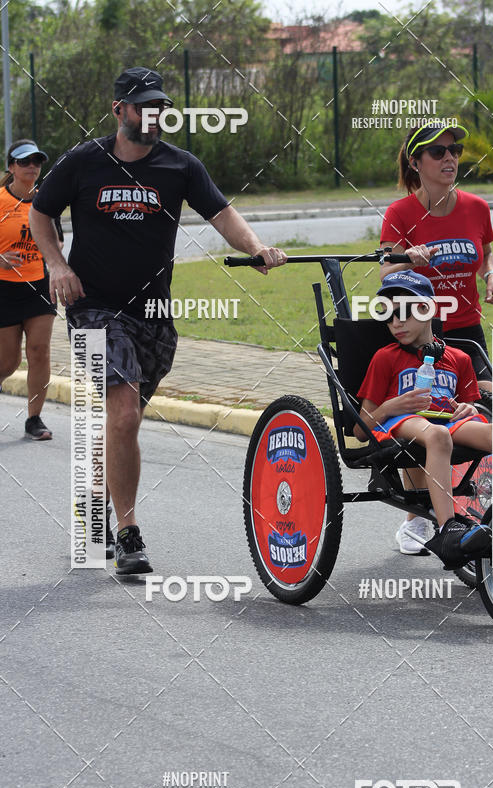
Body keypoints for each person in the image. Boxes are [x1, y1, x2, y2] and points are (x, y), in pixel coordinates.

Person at [29, 66, 287, 575]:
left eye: (160, 107)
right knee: (123, 415)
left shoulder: (180, 166)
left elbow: (222, 214)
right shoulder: (84, 161)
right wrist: (56, 265)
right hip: (93, 307)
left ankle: (92, 507)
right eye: (142, 106)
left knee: (124, 424)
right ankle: (127, 534)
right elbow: (41, 212)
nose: (153, 115)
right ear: (118, 111)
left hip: (153, 315)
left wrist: (256, 247)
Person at [354, 271, 493, 568]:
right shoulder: (386, 357)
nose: (396, 322)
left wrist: (472, 410)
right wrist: (393, 404)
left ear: (428, 310)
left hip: (445, 421)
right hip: (399, 423)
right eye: (390, 315)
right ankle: (448, 528)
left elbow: (470, 407)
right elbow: (360, 428)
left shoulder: (458, 359)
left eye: (405, 312)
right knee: (437, 435)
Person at [379, 120, 493, 553]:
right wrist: (406, 260)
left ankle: (488, 505)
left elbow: (485, 249)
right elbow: (385, 274)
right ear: (416, 163)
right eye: (437, 152)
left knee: (489, 406)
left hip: (466, 334)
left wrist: (492, 277)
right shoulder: (400, 213)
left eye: (454, 151)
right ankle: (418, 516)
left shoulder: (476, 206)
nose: (449, 158)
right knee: (425, 415)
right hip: (418, 336)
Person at [0, 140, 62, 439]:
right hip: (4, 290)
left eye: (36, 161)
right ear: (11, 167)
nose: (32, 167)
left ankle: (34, 419)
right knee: (8, 361)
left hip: (38, 285)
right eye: (24, 162)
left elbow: (58, 241)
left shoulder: (46, 201)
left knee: (39, 352)